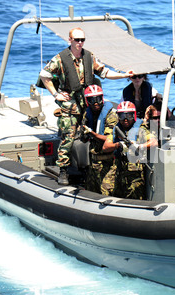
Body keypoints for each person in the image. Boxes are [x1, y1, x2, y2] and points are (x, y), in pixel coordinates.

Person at [39, 27, 133, 185]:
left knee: (90, 133)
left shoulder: (89, 57)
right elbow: (44, 75)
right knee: (68, 136)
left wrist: (124, 75)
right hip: (70, 105)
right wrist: (56, 94)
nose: (80, 43)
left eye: (82, 40)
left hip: (88, 102)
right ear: (70, 40)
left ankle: (88, 167)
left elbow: (104, 73)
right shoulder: (60, 59)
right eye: (77, 40)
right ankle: (63, 170)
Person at [102, 101, 158, 199]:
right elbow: (105, 147)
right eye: (122, 116)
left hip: (135, 175)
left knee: (136, 198)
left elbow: (154, 142)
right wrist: (118, 145)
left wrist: (140, 146)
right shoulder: (117, 129)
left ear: (134, 115)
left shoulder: (142, 129)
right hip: (119, 172)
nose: (126, 119)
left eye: (129, 115)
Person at [80, 85, 118, 195]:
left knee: (107, 194)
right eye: (92, 100)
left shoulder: (111, 115)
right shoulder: (87, 114)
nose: (95, 103)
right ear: (88, 101)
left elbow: (109, 139)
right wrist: (83, 133)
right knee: (90, 193)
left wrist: (92, 134)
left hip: (108, 165)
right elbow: (83, 139)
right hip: (93, 163)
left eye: (98, 99)